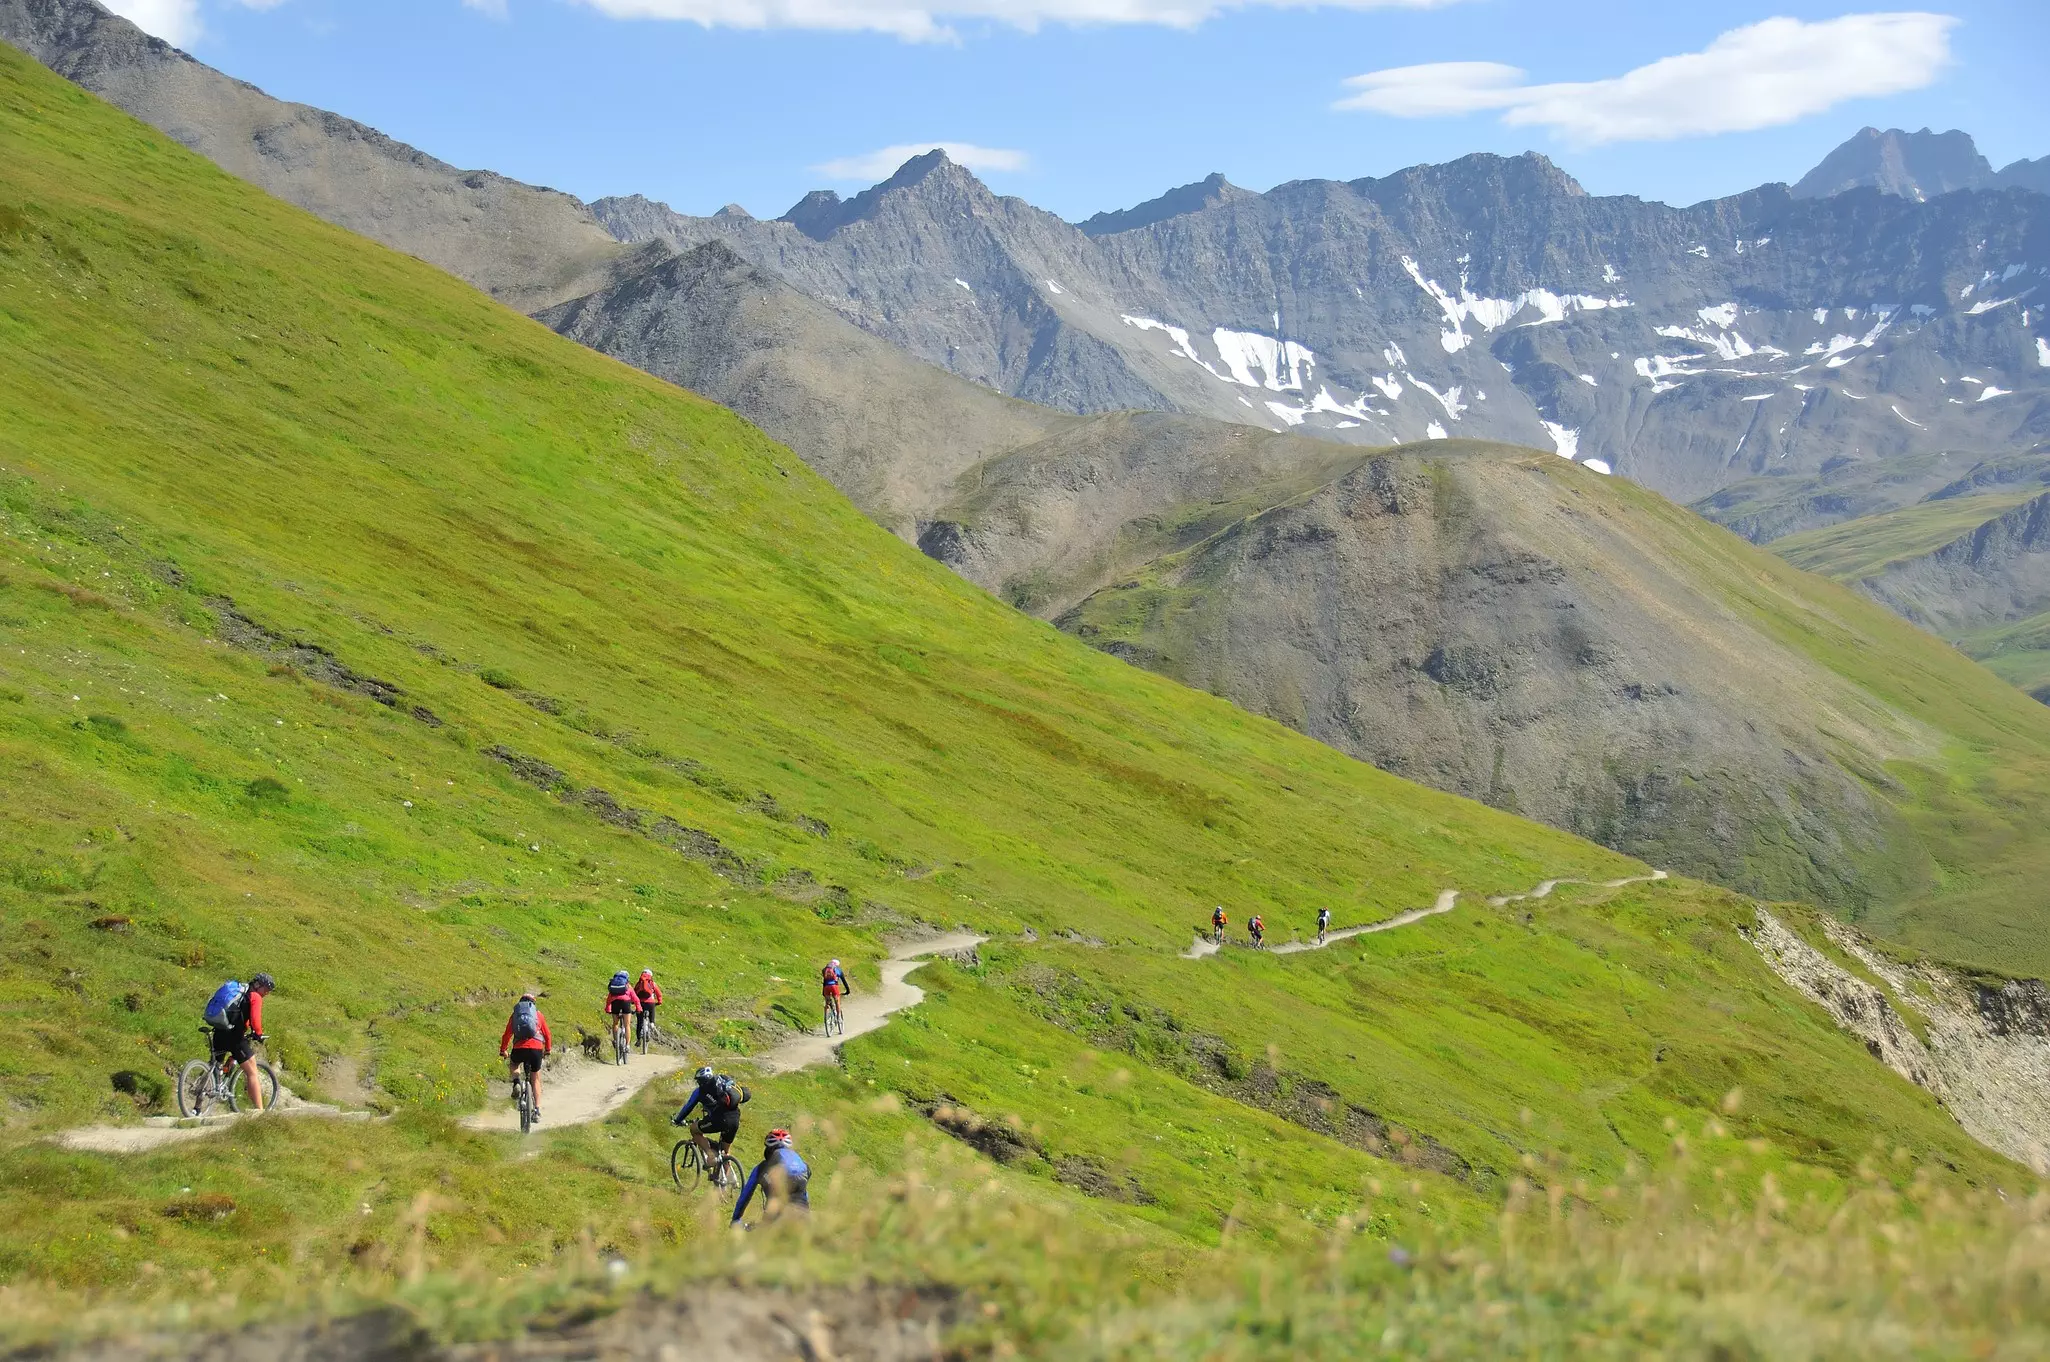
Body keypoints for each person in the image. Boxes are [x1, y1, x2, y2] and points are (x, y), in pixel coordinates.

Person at [202, 973, 275, 1113]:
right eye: (266, 989)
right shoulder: (255, 997)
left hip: (219, 1031)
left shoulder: (238, 991)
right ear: (258, 985)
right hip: (234, 1037)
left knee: (214, 1066)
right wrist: (258, 1034)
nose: (267, 993)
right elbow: (255, 1020)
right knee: (252, 1071)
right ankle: (260, 1112)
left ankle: (197, 1107)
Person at [673, 1065, 750, 1180]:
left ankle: (711, 1155)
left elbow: (688, 1107)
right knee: (725, 1151)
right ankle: (728, 1180)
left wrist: (677, 1120)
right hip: (735, 1119)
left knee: (694, 1129)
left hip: (718, 1120)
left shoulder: (699, 1092)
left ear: (700, 1081)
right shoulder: (724, 1080)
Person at [732, 1128, 810, 1228]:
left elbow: (746, 1195)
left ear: (768, 1149)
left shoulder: (762, 1167)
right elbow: (804, 1193)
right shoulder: (803, 1165)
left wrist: (736, 1219)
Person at [499, 992, 553, 1121]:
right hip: (536, 1049)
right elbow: (547, 1035)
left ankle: (517, 1082)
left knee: (514, 1064)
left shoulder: (515, 1016)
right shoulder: (538, 1015)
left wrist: (503, 1050)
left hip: (519, 1048)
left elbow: (507, 1035)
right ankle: (537, 1110)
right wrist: (548, 1050)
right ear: (533, 1004)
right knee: (535, 1078)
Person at [602, 969, 639, 1057]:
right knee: (627, 1025)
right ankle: (627, 1045)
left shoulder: (613, 986)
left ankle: (616, 1041)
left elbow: (609, 999)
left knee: (615, 1023)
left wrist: (608, 1009)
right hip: (626, 1004)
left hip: (615, 1004)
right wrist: (639, 1008)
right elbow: (635, 999)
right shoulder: (628, 986)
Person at [633, 969, 663, 1047]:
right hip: (650, 1003)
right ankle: (652, 1023)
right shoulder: (652, 983)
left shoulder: (639, 983)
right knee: (652, 1009)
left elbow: (634, 993)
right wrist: (659, 1002)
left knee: (639, 1022)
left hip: (640, 1003)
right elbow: (659, 994)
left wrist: (633, 1002)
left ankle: (638, 1039)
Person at [821, 958, 851, 1025]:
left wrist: (823, 992)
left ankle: (826, 1017)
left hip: (826, 987)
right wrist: (848, 991)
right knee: (837, 1001)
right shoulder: (838, 970)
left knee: (827, 1002)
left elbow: (824, 982)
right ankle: (838, 1017)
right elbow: (844, 982)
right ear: (837, 965)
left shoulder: (824, 970)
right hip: (834, 987)